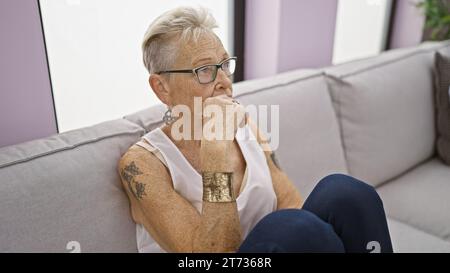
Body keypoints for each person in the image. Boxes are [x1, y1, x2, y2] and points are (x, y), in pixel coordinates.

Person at [118, 6, 393, 253]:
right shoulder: (142, 165)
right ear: (161, 88)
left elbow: (290, 202)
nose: (225, 80)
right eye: (204, 70)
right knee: (293, 226)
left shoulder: (245, 124)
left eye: (225, 65)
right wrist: (215, 149)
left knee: (345, 193)